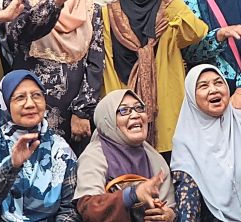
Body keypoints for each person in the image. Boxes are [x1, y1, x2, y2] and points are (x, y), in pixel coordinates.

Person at [102, 0, 210, 154]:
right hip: (124, 116)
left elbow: (195, 33)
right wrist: (120, 111)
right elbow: (107, 66)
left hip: (167, 116)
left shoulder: (169, 10)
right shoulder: (108, 14)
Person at [6, 0, 104, 145]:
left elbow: (95, 62)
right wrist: (56, 1)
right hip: (30, 108)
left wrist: (82, 111)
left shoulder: (89, 7)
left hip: (74, 118)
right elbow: (20, 33)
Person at [0, 70, 79, 221]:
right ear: (5, 103)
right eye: (20, 97)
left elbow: (69, 210)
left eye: (36, 95)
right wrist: (11, 166)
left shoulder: (60, 149)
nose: (30, 104)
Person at [170, 65, 241, 222]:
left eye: (218, 83)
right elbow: (188, 199)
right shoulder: (186, 143)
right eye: (203, 86)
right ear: (191, 96)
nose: (213, 90)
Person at [73, 89, 175, 222]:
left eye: (139, 108)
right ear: (107, 119)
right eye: (124, 110)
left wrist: (168, 215)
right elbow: (88, 209)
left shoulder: (154, 158)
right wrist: (132, 195)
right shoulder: (94, 156)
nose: (135, 115)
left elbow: (170, 206)